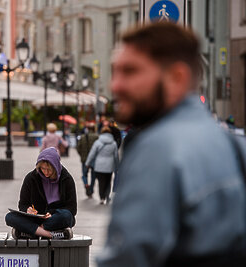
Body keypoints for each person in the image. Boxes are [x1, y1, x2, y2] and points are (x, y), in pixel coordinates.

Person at [97, 23, 246, 266]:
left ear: (177, 77)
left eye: (130, 71)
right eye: (115, 71)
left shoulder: (157, 150)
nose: (116, 85)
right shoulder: (232, 144)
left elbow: (128, 257)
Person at [5, 147, 77, 239]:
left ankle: (31, 232)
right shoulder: (31, 178)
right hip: (35, 218)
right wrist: (28, 209)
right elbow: (23, 204)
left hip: (54, 219)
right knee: (10, 217)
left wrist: (52, 213)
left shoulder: (66, 179)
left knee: (66, 216)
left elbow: (72, 209)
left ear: (56, 167)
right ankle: (50, 234)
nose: (46, 172)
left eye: (50, 170)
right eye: (43, 168)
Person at [85, 125, 119, 204]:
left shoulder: (97, 142)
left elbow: (92, 154)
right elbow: (116, 156)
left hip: (99, 166)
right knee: (108, 181)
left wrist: (87, 163)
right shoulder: (113, 143)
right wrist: (117, 166)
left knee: (101, 182)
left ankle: (102, 197)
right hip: (109, 166)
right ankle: (107, 196)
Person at [76, 123, 98, 197]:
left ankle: (86, 184)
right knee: (93, 175)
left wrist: (82, 155)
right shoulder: (97, 136)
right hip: (94, 159)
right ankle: (91, 188)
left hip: (84, 159)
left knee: (84, 174)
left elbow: (78, 148)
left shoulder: (82, 137)